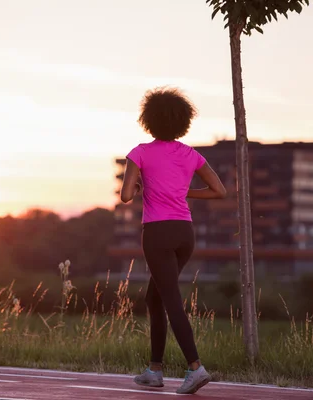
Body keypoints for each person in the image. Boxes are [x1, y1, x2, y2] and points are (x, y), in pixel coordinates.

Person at [120, 87, 227, 395]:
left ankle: (196, 368)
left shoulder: (139, 152)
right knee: (155, 298)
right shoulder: (190, 154)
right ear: (183, 121)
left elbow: (126, 196)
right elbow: (219, 191)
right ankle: (154, 370)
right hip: (185, 234)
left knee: (169, 300)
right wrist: (184, 192)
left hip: (158, 233)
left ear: (148, 120)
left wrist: (140, 184)